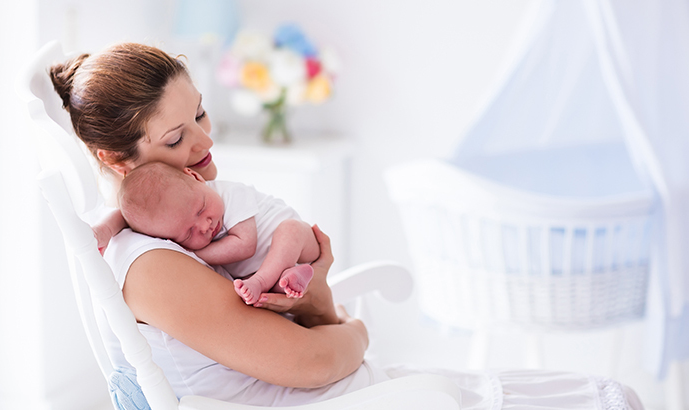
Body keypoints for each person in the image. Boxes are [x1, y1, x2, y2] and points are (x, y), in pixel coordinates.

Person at [48, 42, 645, 408]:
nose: (206, 140)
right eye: (177, 138)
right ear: (116, 158)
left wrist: (318, 296)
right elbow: (311, 362)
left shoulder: (202, 219)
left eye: (200, 112)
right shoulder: (154, 267)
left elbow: (311, 324)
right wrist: (356, 332)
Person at [117, 161, 319, 304]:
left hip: (301, 244)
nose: (205, 226)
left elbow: (245, 245)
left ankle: (269, 279)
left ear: (196, 177)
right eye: (188, 233)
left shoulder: (231, 194)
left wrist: (192, 253)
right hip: (266, 273)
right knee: (261, 292)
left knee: (290, 229)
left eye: (201, 209)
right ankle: (289, 280)